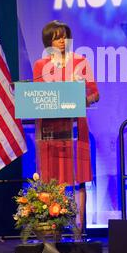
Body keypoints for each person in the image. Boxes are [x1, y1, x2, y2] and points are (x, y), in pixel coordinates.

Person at [33, 20, 99, 234]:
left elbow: (95, 94)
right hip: (50, 129)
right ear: (48, 41)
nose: (62, 41)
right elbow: (37, 97)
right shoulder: (40, 66)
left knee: (78, 180)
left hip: (75, 128)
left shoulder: (80, 62)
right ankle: (56, 229)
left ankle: (80, 230)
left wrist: (82, 99)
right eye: (57, 37)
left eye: (64, 36)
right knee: (53, 181)